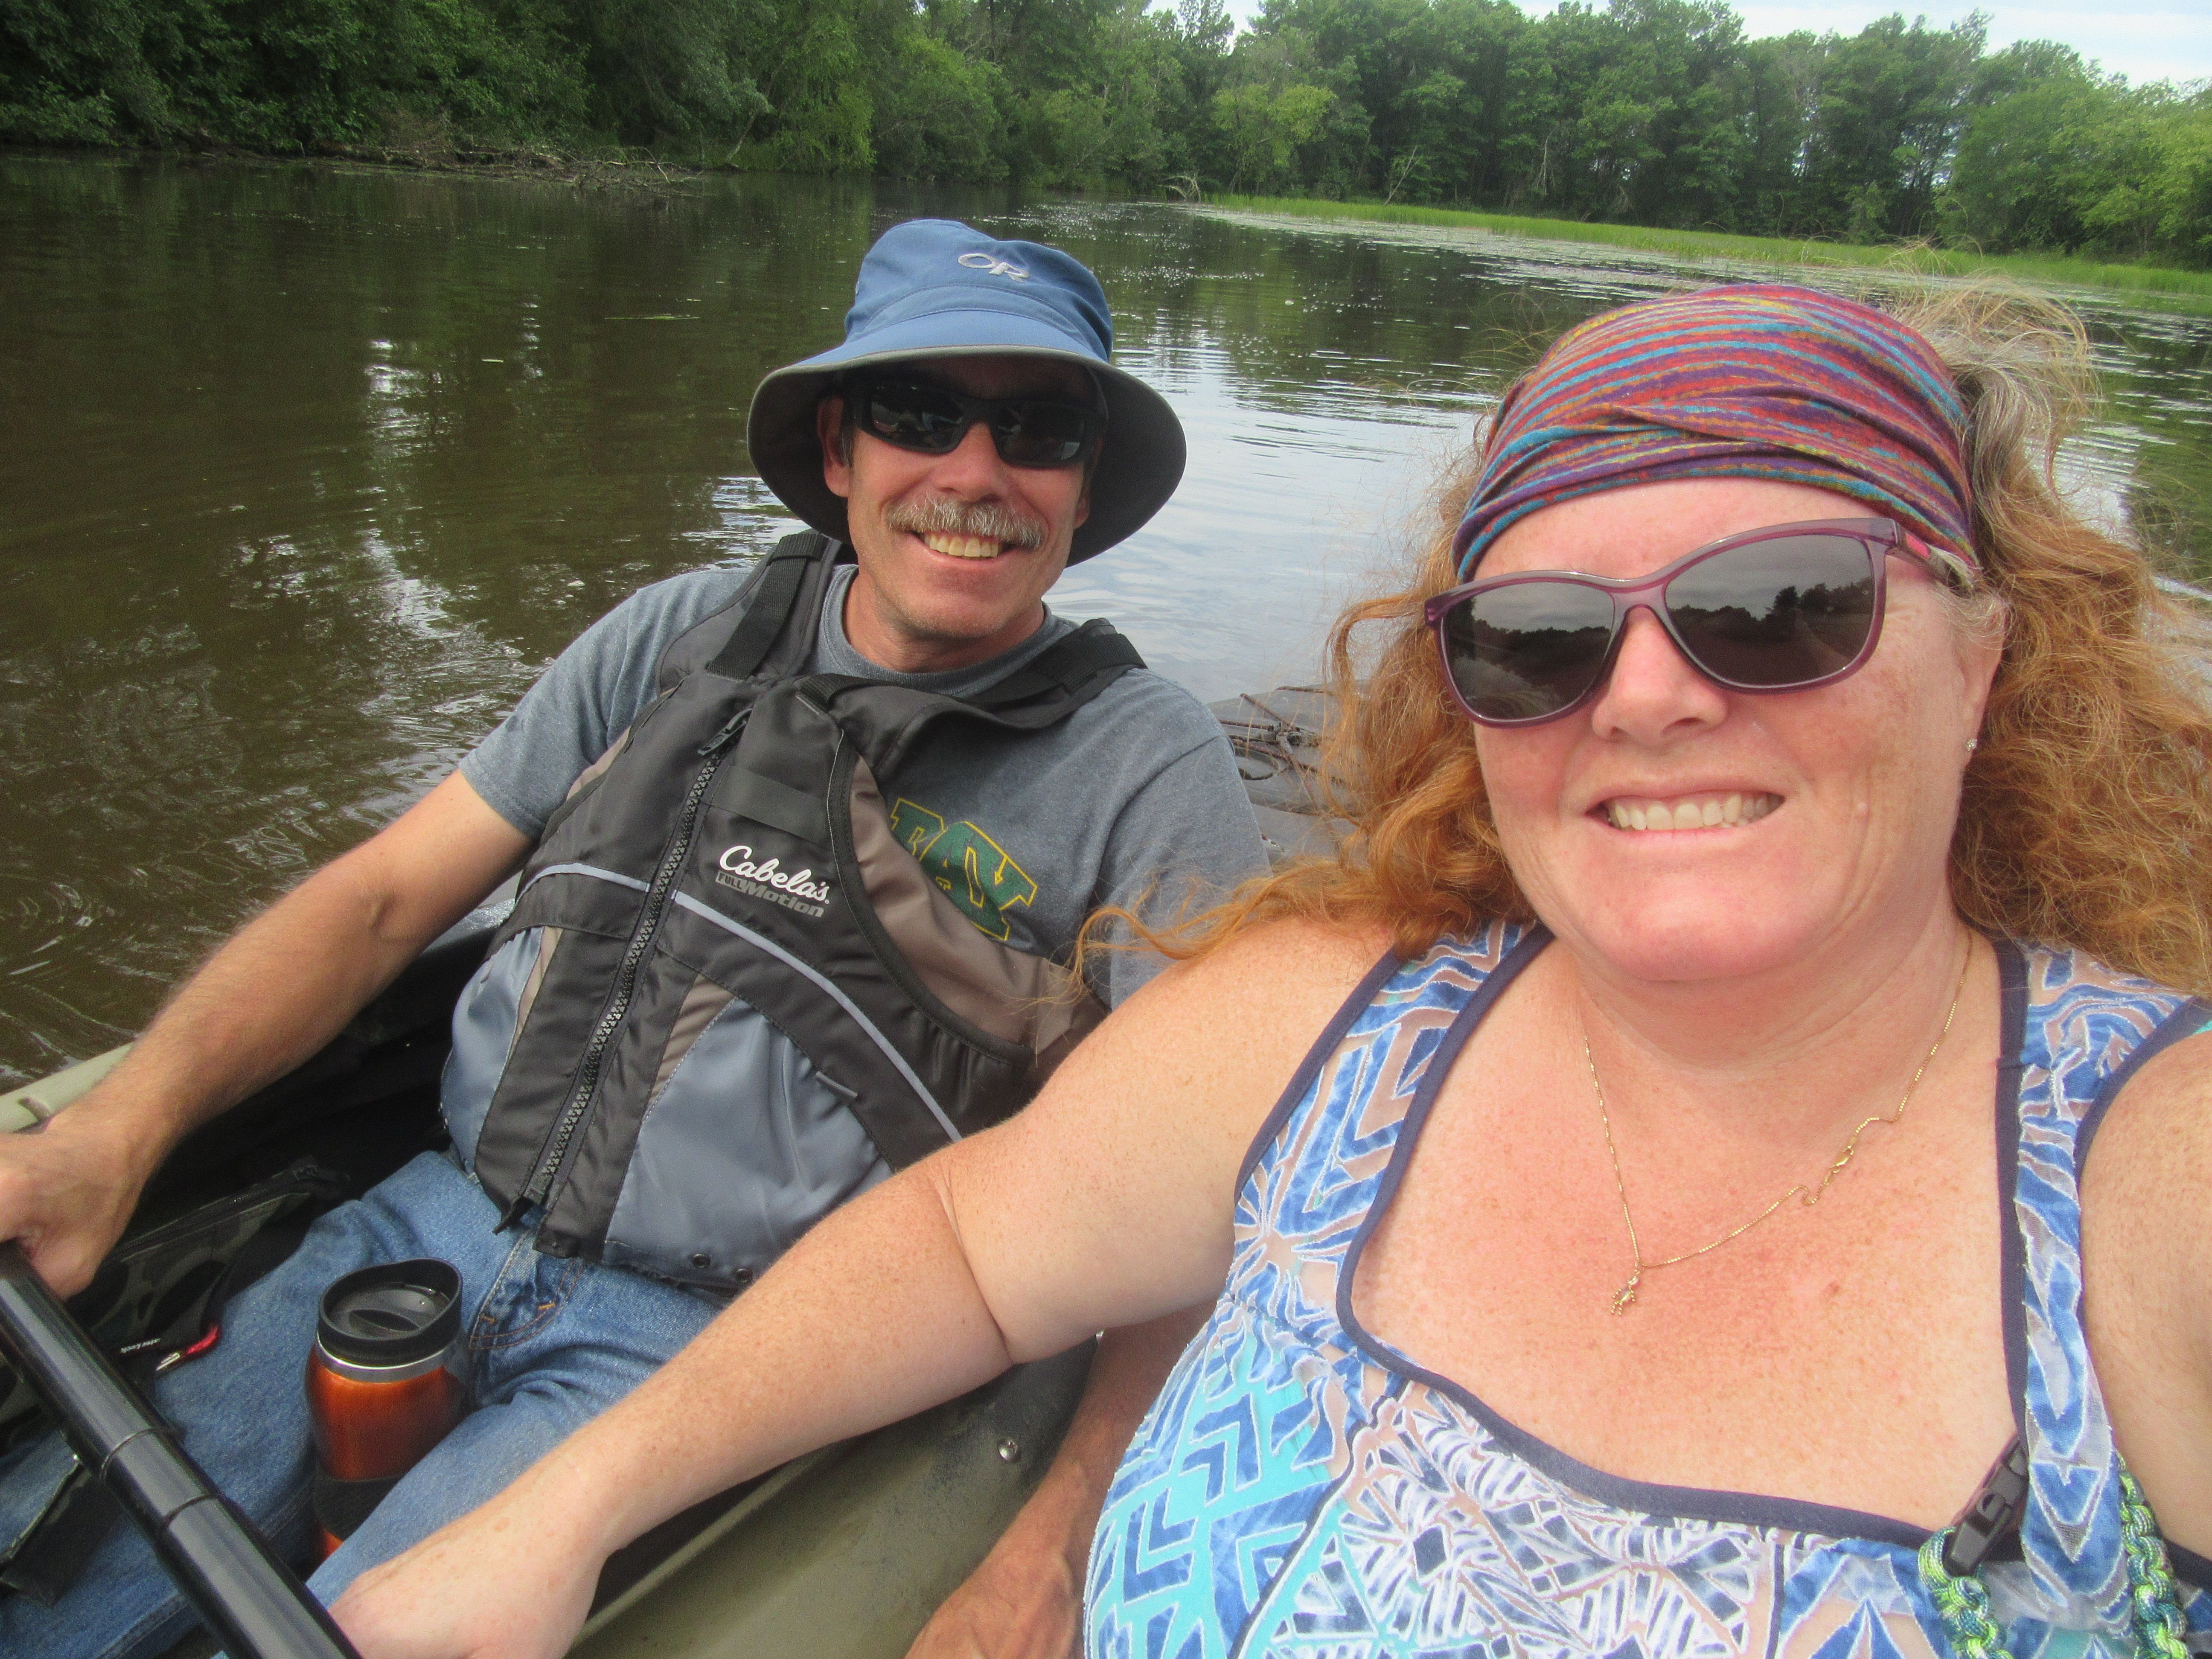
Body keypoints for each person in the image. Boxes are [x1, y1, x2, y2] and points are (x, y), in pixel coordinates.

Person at [331, 279, 2212, 1659]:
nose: (1648, 695)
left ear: (1986, 661)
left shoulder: (2154, 1183)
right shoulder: (1347, 1019)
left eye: (1781, 606)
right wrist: (567, 1513)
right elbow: (979, 1252)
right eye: (1539, 638)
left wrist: (1037, 1553)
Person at [0, 217, 1267, 1658]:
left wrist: (1062, 1540)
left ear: (1082, 487)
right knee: (54, 1596)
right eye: (923, 414)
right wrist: (114, 1134)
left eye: (1035, 429)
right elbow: (383, 899)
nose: (973, 474)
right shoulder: (680, 633)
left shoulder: (1147, 768)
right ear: (842, 450)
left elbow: (1203, 1198)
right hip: (426, 1223)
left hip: (724, 1357)